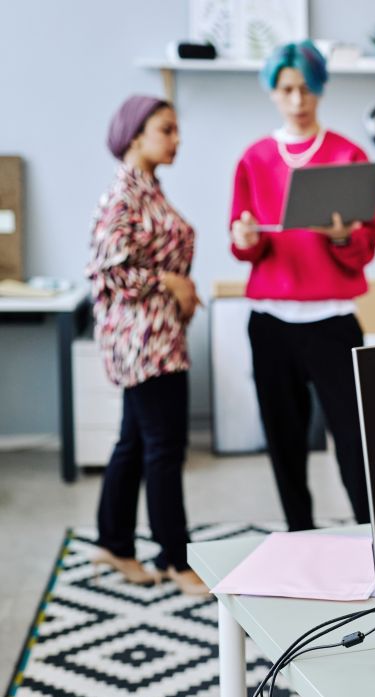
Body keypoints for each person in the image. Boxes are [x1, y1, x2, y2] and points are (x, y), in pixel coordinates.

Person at [229, 41, 375, 530]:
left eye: (307, 88)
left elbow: (367, 243)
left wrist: (342, 236)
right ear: (273, 92)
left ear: (320, 90)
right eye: (287, 89)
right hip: (270, 322)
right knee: (284, 440)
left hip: (333, 321)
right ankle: (299, 536)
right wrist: (245, 238)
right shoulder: (253, 159)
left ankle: (371, 538)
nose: (298, 99)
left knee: (355, 439)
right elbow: (243, 245)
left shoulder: (347, 154)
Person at [86, 95, 208, 595]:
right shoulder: (124, 193)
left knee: (135, 442)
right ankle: (175, 561)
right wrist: (169, 284)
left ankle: (114, 543)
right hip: (143, 341)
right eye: (166, 129)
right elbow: (106, 269)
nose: (176, 139)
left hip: (159, 335)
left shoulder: (149, 189)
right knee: (164, 447)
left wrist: (178, 288)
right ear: (136, 134)